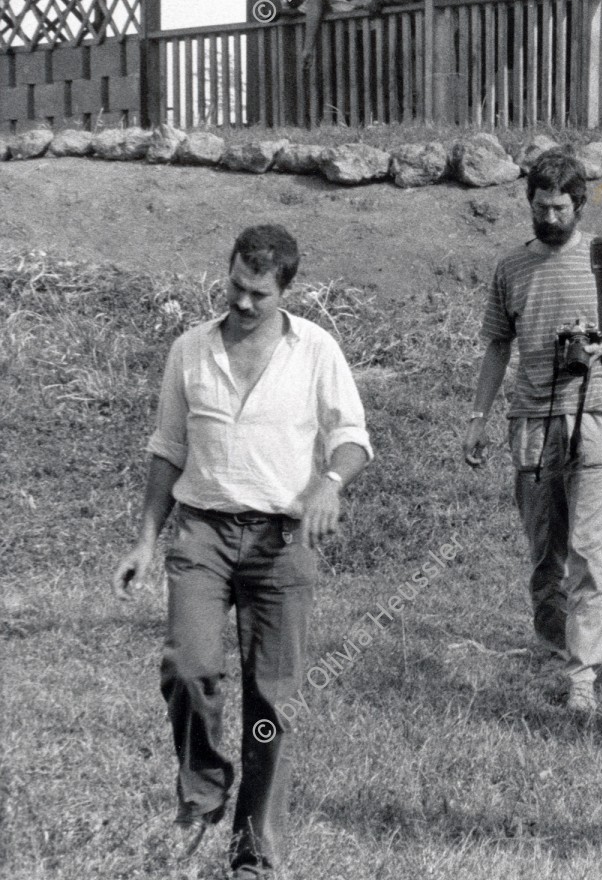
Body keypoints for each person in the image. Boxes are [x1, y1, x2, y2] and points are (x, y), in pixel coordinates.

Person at [112, 224, 372, 879]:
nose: (245, 302)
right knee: (187, 668)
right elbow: (168, 450)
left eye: (259, 292)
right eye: (236, 286)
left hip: (282, 544)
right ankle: (203, 793)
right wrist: (145, 540)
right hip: (201, 532)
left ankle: (253, 846)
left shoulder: (315, 349)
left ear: (286, 288)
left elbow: (352, 437)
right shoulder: (190, 351)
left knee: (272, 702)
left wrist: (328, 485)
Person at [462, 150, 602, 712]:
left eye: (560, 208)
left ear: (580, 204)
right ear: (528, 202)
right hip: (530, 420)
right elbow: (498, 345)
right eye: (540, 207)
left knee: (589, 552)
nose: (549, 218)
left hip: (595, 416)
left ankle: (582, 680)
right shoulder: (511, 267)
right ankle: (554, 653)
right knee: (544, 550)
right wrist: (478, 419)